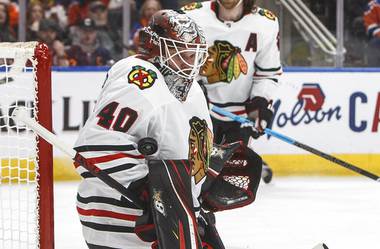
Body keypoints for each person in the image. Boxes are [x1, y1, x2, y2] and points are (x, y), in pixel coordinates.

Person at [73, 10, 212, 248]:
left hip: (174, 221)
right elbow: (97, 148)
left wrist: (206, 184)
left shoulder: (191, 87)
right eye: (183, 54)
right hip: (124, 227)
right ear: (157, 48)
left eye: (194, 56)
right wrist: (151, 198)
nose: (191, 63)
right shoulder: (138, 79)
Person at [183, 0, 283, 184]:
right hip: (201, 109)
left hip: (240, 114)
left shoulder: (265, 23)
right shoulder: (191, 17)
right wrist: (195, 92)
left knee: (227, 179)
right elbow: (180, 65)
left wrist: (260, 103)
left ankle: (242, 157)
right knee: (194, 176)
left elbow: (268, 73)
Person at [363, 0, 380, 66]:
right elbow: (371, 27)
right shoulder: (373, 5)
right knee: (374, 44)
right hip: (378, 39)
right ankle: (374, 73)